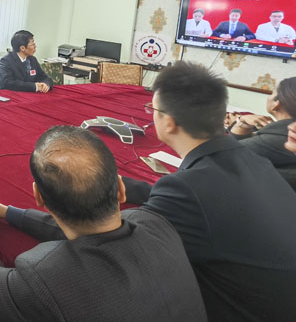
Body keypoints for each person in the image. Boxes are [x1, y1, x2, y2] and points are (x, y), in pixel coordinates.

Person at [0, 125, 206, 321]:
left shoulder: (44, 278)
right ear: (121, 189)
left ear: (38, 197)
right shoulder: (155, 222)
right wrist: (5, 211)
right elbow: (84, 231)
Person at [122, 61, 296, 320]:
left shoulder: (187, 188)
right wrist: (130, 187)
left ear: (169, 122)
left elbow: (121, 243)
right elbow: (203, 200)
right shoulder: (252, 161)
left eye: (153, 109)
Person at [228, 77, 296, 190]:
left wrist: (239, 123)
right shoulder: (278, 134)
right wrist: (243, 123)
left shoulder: (280, 138)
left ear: (276, 104)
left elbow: (224, 155)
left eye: (272, 93)